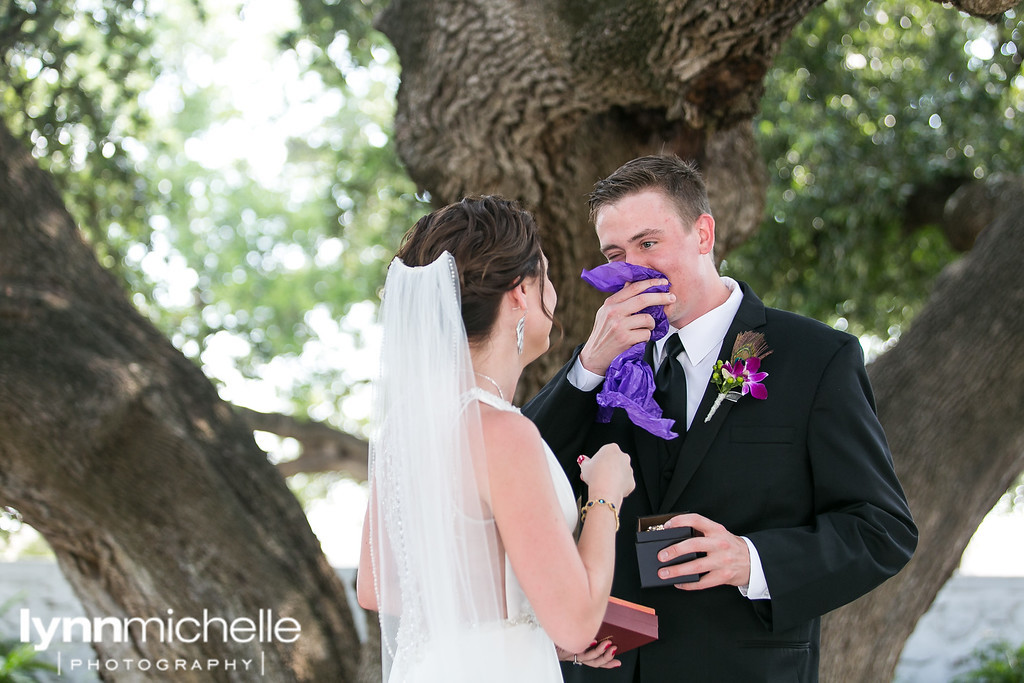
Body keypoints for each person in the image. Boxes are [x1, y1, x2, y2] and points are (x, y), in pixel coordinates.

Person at [523, 155, 918, 682]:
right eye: (615, 254)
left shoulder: (816, 358)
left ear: (703, 234)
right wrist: (590, 364)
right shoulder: (601, 369)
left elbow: (881, 529)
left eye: (648, 243)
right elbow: (521, 476)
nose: (632, 267)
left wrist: (749, 560)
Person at [356, 196, 636, 682]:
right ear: (519, 294)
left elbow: (377, 588)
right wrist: (605, 496)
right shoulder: (503, 432)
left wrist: (520, 625)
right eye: (544, 278)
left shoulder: (407, 426)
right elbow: (575, 625)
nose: (555, 295)